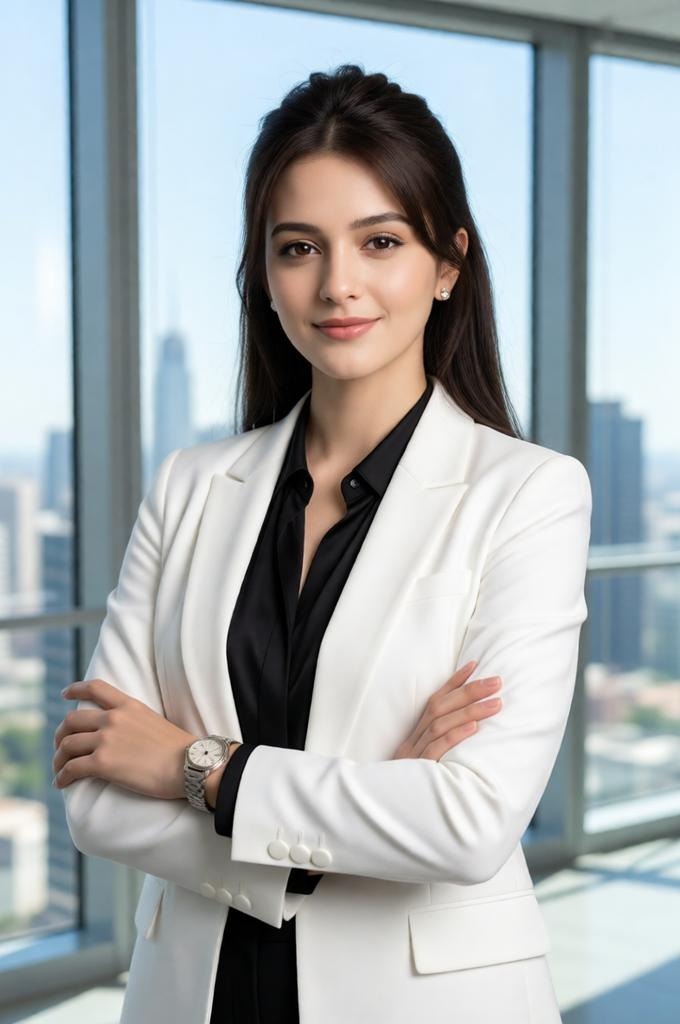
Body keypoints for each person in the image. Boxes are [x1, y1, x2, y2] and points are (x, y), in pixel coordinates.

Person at [53, 64, 591, 1024]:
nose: (338, 284)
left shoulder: (529, 495)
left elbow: (468, 825)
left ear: (448, 262)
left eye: (380, 241)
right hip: (195, 995)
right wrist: (367, 810)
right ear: (263, 274)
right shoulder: (188, 486)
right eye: (299, 247)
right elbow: (97, 796)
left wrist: (197, 767)